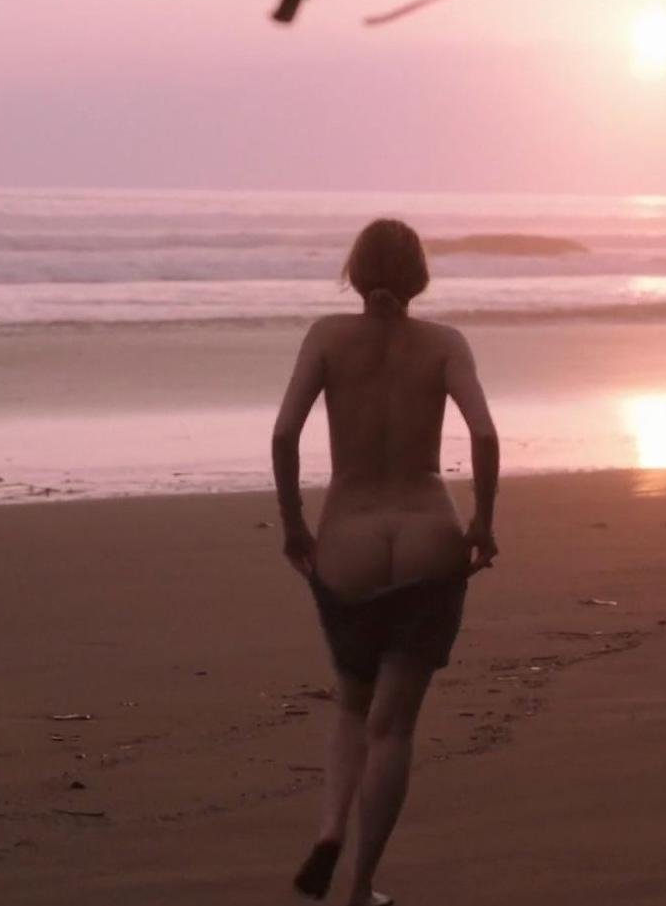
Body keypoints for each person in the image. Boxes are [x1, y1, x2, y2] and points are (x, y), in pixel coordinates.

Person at [271, 218, 501, 906]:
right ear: (419, 276)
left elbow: (284, 434)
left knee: (351, 703)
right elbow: (485, 433)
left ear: (355, 270)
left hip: (349, 537)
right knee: (393, 727)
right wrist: (484, 521)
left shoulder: (326, 336)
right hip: (429, 533)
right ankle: (362, 887)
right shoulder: (445, 343)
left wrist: (293, 523)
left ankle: (330, 828)